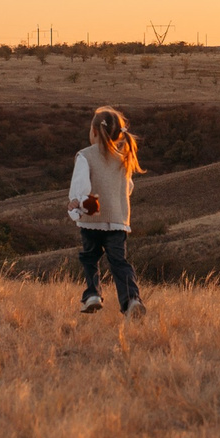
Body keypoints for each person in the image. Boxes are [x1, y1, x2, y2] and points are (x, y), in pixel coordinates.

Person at [67, 104, 145, 317]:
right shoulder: (124, 158)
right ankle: (131, 301)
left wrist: (75, 202)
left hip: (92, 220)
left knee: (90, 258)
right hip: (118, 221)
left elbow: (82, 187)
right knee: (119, 262)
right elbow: (128, 188)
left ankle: (92, 294)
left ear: (93, 132)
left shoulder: (85, 156)